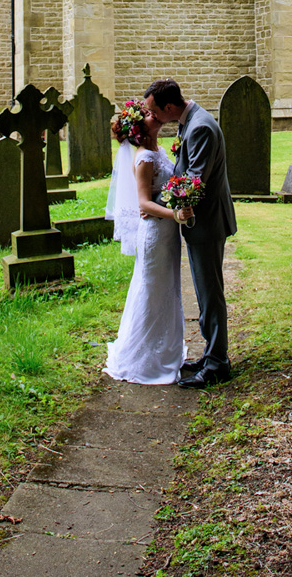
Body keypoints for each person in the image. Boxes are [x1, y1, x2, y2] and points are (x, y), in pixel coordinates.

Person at [143, 78, 236, 388]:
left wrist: (157, 201)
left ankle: (217, 363)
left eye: (155, 111)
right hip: (200, 222)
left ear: (169, 107)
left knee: (210, 293)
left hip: (207, 222)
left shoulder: (199, 127)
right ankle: (212, 353)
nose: (153, 117)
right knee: (204, 290)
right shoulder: (190, 121)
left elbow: (193, 181)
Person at [104, 101, 192, 385]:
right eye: (150, 116)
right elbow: (143, 203)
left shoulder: (159, 150)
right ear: (141, 128)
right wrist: (174, 214)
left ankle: (166, 350)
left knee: (168, 289)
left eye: (154, 113)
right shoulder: (143, 158)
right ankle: (142, 357)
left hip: (168, 234)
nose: (155, 116)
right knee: (152, 290)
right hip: (155, 234)